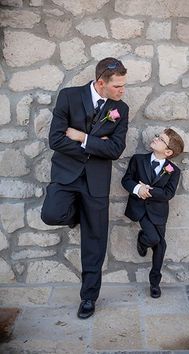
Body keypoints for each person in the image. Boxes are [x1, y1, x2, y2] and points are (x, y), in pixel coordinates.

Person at [41, 57, 128, 319]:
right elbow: (55, 139)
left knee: (95, 240)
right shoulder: (68, 97)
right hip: (67, 175)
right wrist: (94, 146)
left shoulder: (120, 109)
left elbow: (115, 149)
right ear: (101, 83)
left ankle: (89, 297)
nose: (122, 91)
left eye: (124, 86)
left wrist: (82, 137)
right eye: (117, 87)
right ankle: (75, 214)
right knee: (51, 214)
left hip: (97, 182)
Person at [121, 128, 184, 298]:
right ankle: (143, 240)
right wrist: (137, 188)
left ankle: (154, 282)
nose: (155, 138)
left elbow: (168, 194)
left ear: (168, 151)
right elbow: (126, 180)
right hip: (140, 209)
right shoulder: (138, 160)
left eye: (161, 139)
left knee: (160, 245)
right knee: (155, 239)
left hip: (158, 212)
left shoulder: (174, 171)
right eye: (157, 136)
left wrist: (149, 190)